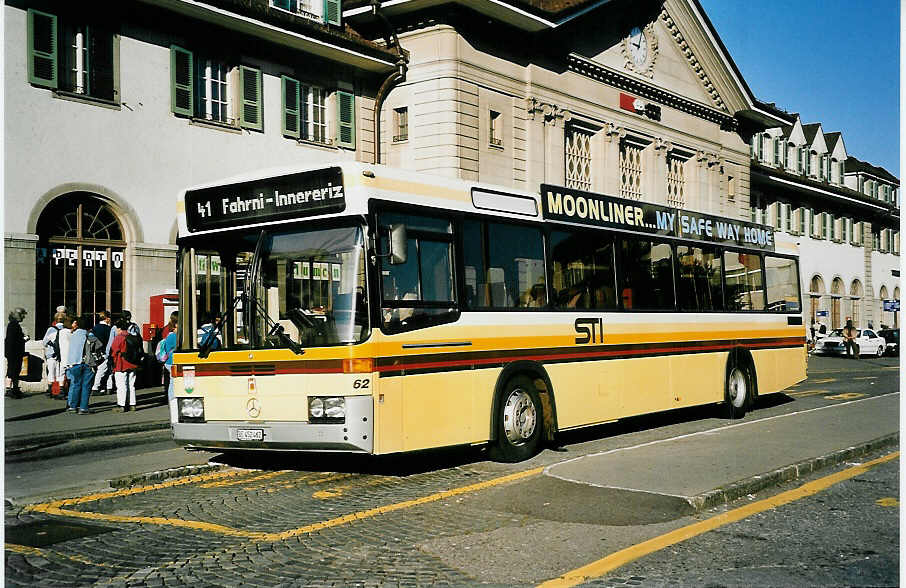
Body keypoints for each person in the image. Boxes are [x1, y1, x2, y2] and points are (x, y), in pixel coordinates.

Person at [110, 317, 140, 412]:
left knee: (121, 385)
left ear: (119, 328)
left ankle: (121, 405)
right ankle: (132, 404)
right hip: (133, 364)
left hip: (121, 364)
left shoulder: (119, 338)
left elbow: (113, 351)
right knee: (131, 385)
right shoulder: (133, 336)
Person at [65, 315, 92, 413]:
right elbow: (97, 346)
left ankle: (73, 406)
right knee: (86, 385)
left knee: (76, 384)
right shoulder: (88, 335)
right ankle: (83, 407)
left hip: (73, 363)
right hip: (85, 363)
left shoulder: (73, 334)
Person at [5, 307, 28, 398]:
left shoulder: (11, 324)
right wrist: (24, 339)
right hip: (15, 353)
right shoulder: (15, 325)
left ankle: (11, 389)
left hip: (12, 353)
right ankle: (13, 390)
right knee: (14, 371)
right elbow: (16, 340)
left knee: (12, 371)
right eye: (22, 315)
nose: (23, 317)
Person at [42, 312, 66, 397]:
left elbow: (44, 342)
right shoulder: (66, 329)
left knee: (51, 372)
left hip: (51, 354)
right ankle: (61, 390)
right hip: (62, 355)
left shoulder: (51, 329)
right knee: (61, 373)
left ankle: (50, 390)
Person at [91, 311, 114, 395]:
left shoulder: (95, 327)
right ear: (107, 318)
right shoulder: (108, 329)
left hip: (96, 352)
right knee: (104, 369)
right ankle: (95, 388)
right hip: (105, 351)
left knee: (105, 369)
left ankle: (109, 387)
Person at [157, 322, 179, 400]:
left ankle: (171, 399)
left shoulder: (169, 336)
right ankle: (172, 399)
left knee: (171, 381)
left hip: (168, 361)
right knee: (173, 382)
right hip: (172, 362)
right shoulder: (174, 336)